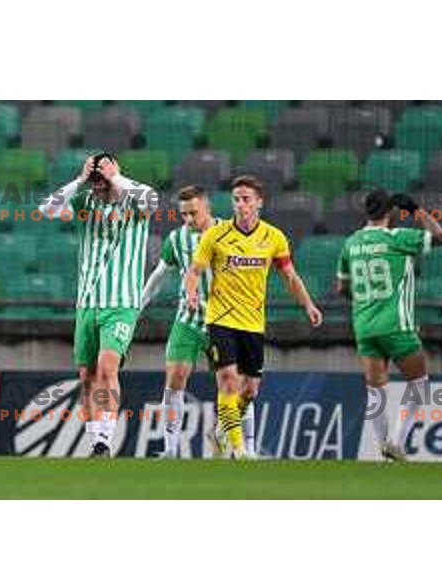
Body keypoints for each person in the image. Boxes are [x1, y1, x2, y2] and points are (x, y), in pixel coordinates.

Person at [184, 176, 323, 458]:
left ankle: (223, 429)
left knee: (250, 391)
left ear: (259, 202)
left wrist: (308, 305)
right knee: (229, 380)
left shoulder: (273, 237)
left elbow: (290, 276)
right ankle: (239, 449)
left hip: (253, 322)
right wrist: (191, 294)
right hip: (220, 318)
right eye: (236, 199)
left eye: (246, 199)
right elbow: (194, 271)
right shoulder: (215, 235)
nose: (241, 204)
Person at [39, 153, 157, 457]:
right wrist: (79, 180)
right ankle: (96, 444)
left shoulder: (135, 202)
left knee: (108, 366)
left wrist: (115, 176)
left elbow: (152, 200)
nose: (99, 183)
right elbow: (47, 209)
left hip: (121, 302)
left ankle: (106, 437)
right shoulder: (85, 203)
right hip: (88, 302)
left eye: (102, 177)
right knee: (86, 376)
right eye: (96, 177)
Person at [142, 185, 255, 458]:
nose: (189, 220)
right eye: (184, 215)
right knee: (175, 378)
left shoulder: (231, 233)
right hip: (189, 321)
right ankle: (170, 450)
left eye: (194, 213)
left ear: (207, 206)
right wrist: (139, 306)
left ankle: (248, 449)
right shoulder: (177, 239)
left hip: (226, 322)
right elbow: (159, 275)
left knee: (236, 386)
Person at [336, 189, 442, 460]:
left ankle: (383, 449)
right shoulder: (398, 238)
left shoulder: (351, 243)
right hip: (396, 324)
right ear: (390, 212)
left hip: (364, 325)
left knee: (376, 391)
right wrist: (416, 210)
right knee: (419, 382)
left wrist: (362, 302)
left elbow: (341, 286)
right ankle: (396, 442)